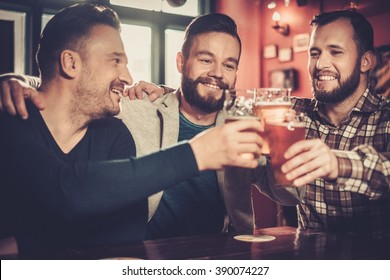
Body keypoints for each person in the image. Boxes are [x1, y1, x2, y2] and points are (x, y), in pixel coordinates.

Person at [0, 3, 263, 253]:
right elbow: (66, 190)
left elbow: (123, 230)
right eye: (115, 61)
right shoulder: (11, 121)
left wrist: (23, 244)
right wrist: (14, 79)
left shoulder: (114, 132)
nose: (127, 77)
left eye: (229, 64)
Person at [255, 10, 389, 239]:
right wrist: (174, 95)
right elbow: (225, 105)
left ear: (366, 61)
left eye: (335, 52)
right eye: (314, 54)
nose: (321, 64)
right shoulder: (292, 113)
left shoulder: (385, 118)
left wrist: (337, 164)